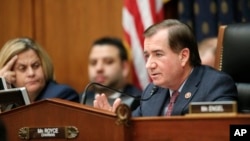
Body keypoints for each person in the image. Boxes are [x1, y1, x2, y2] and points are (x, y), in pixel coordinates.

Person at [93, 19, 237, 117]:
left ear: (183, 56)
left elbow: (226, 132)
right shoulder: (152, 91)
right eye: (147, 56)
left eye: (158, 54)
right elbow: (135, 129)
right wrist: (116, 122)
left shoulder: (215, 85)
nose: (149, 64)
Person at [0, 37, 79, 105]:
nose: (31, 73)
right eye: (22, 68)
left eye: (36, 65)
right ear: (8, 73)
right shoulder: (7, 102)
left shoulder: (61, 95)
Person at [80, 37, 142, 111]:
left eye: (108, 62)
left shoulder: (140, 103)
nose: (99, 68)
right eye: (93, 63)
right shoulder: (78, 100)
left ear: (124, 68)